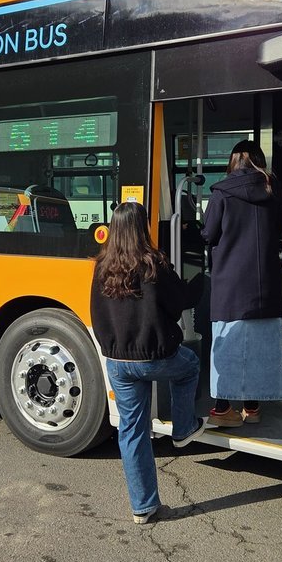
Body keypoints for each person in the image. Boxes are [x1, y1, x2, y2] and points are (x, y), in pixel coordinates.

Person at [90, 201, 208, 524]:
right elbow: (181, 300)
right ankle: (183, 428)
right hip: (154, 357)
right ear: (142, 227)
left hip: (118, 361)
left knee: (132, 430)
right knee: (190, 366)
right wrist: (201, 279)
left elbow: (96, 314)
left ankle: (143, 508)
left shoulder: (102, 267)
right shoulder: (153, 264)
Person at [201, 140, 282, 427]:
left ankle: (223, 408)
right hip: (266, 285)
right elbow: (281, 230)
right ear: (259, 161)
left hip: (230, 283)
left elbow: (209, 233)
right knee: (259, 346)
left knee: (229, 343)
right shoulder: (272, 191)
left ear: (232, 161)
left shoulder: (221, 192)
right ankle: (252, 408)